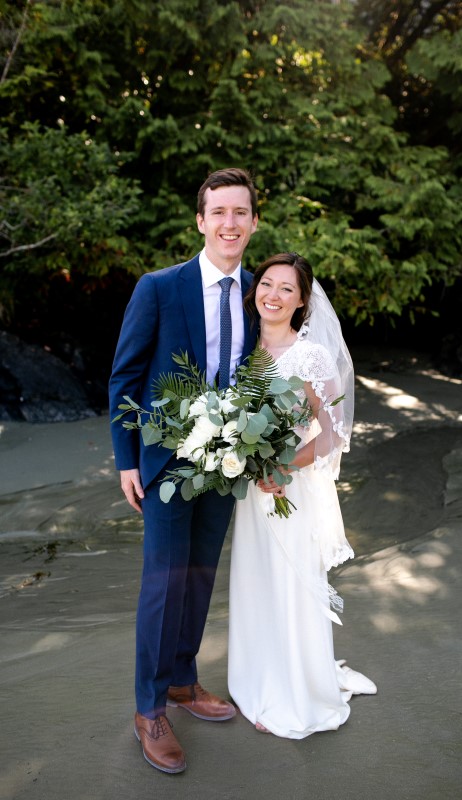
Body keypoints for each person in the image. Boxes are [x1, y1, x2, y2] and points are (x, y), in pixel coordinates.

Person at [109, 167, 259, 773]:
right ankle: (148, 709)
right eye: (218, 212)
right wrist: (125, 460)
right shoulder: (159, 287)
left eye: (239, 212)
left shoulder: (260, 292)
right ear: (200, 221)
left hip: (227, 462)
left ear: (253, 221)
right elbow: (124, 375)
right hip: (165, 461)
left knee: (200, 577)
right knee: (164, 581)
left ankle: (181, 680)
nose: (229, 223)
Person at [228, 252, 377, 739]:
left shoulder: (309, 355)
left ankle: (296, 693)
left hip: (288, 488)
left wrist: (283, 466)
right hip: (250, 491)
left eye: (286, 289)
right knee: (257, 581)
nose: (272, 294)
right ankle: (257, 680)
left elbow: (334, 432)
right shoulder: (242, 351)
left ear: (302, 301)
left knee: (290, 583)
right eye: (266, 284)